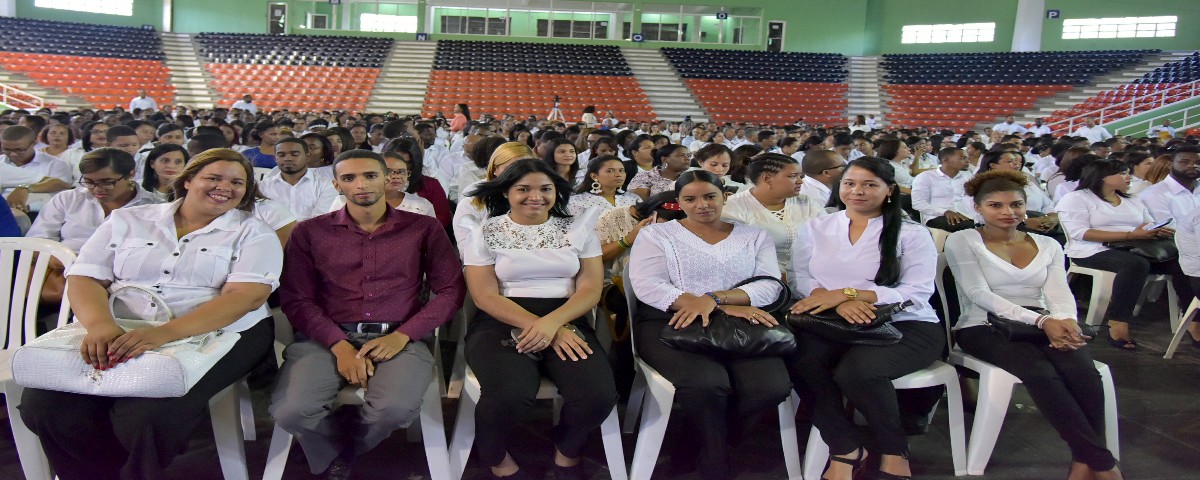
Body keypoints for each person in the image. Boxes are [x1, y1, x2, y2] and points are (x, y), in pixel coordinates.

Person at [19, 148, 282, 480]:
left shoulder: (253, 232)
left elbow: (244, 297)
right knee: (46, 406)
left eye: (237, 182)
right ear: (187, 181)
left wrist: (160, 335)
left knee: (146, 417)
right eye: (213, 178)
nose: (225, 187)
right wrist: (100, 326)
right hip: (119, 325)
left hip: (216, 333)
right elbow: (85, 277)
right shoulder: (129, 220)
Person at [272, 149, 465, 479]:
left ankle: (348, 449)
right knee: (291, 412)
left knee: (393, 409)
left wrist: (404, 335)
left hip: (399, 334)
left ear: (386, 178)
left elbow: (450, 291)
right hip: (327, 335)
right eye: (349, 178)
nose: (361, 184)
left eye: (370, 175)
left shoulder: (423, 228)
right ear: (336, 185)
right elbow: (296, 298)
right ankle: (339, 446)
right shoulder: (310, 232)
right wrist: (338, 344)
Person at [946, 169, 1124, 480]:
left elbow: (1058, 290)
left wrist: (1066, 320)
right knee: (1040, 372)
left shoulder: (1047, 244)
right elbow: (978, 294)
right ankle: (1104, 464)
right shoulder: (963, 240)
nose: (1007, 212)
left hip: (1043, 322)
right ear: (977, 207)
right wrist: (1043, 321)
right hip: (982, 326)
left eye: (1016, 204)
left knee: (1083, 370)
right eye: (995, 205)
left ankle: (1083, 462)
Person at [628, 170, 790, 480]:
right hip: (673, 319)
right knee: (707, 384)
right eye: (690, 199)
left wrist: (718, 301)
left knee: (770, 388)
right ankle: (717, 462)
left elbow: (770, 286)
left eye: (710, 196)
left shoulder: (754, 235)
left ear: (725, 197)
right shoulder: (657, 235)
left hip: (741, 319)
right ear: (679, 202)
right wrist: (698, 302)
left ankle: (694, 442)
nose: (701, 205)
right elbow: (648, 285)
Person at [460, 159, 616, 480]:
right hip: (501, 320)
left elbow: (589, 289)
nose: (536, 196)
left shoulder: (578, 228)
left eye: (546, 189)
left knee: (597, 395)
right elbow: (484, 296)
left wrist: (554, 325)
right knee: (510, 394)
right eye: (523, 189)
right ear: (505, 192)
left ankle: (567, 451)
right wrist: (545, 327)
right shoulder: (484, 231)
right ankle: (495, 457)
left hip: (566, 317)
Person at [787, 156, 942, 480]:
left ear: (889, 190)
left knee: (859, 372)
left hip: (905, 322)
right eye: (850, 183)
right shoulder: (817, 226)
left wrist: (848, 295)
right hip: (832, 319)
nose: (857, 191)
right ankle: (845, 447)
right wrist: (833, 302)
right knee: (798, 360)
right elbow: (801, 275)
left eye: (870, 184)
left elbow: (917, 290)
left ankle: (894, 450)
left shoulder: (912, 233)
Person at [1057, 159, 1194, 350]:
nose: (1129, 177)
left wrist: (1154, 230)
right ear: (1103, 177)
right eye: (1122, 173)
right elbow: (1079, 233)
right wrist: (1130, 234)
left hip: (1135, 246)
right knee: (1135, 264)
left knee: (1184, 262)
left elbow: (1147, 222)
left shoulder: (1132, 199)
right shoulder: (1077, 198)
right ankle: (1118, 322)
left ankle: (1193, 319)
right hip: (1092, 249)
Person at [722, 153, 825, 285]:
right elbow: (739, 261)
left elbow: (828, 239)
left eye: (801, 176)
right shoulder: (733, 209)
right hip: (765, 282)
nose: (800, 181)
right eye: (793, 176)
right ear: (767, 178)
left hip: (814, 278)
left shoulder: (806, 202)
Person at [328, 152, 436, 218]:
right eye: (389, 171)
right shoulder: (343, 202)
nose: (396, 176)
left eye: (401, 171)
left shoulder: (421, 205)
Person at [256, 138, 339, 221]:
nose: (287, 158)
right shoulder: (261, 187)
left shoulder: (326, 186)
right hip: (271, 233)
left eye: (294, 154)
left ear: (307, 157)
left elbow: (320, 221)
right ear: (275, 158)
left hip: (311, 233)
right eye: (281, 155)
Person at [2, 125, 74, 212]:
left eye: (20, 150)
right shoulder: (2, 164)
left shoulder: (55, 165)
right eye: (7, 149)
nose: (13, 154)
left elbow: (62, 189)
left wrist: (26, 189)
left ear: (34, 144)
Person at [911, 147, 974, 232]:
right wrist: (945, 212)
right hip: (937, 216)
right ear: (946, 161)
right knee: (968, 226)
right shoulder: (926, 177)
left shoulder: (966, 177)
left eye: (967, 158)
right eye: (962, 158)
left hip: (965, 214)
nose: (968, 161)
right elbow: (918, 203)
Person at [1136, 146, 1200, 224]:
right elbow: (1168, 229)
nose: (1193, 166)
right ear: (1170, 165)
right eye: (1184, 162)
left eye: (1198, 163)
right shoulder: (1153, 194)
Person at [569, 154, 637, 217]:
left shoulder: (633, 198)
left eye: (621, 170)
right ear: (594, 176)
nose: (618, 175)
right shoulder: (578, 201)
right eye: (610, 171)